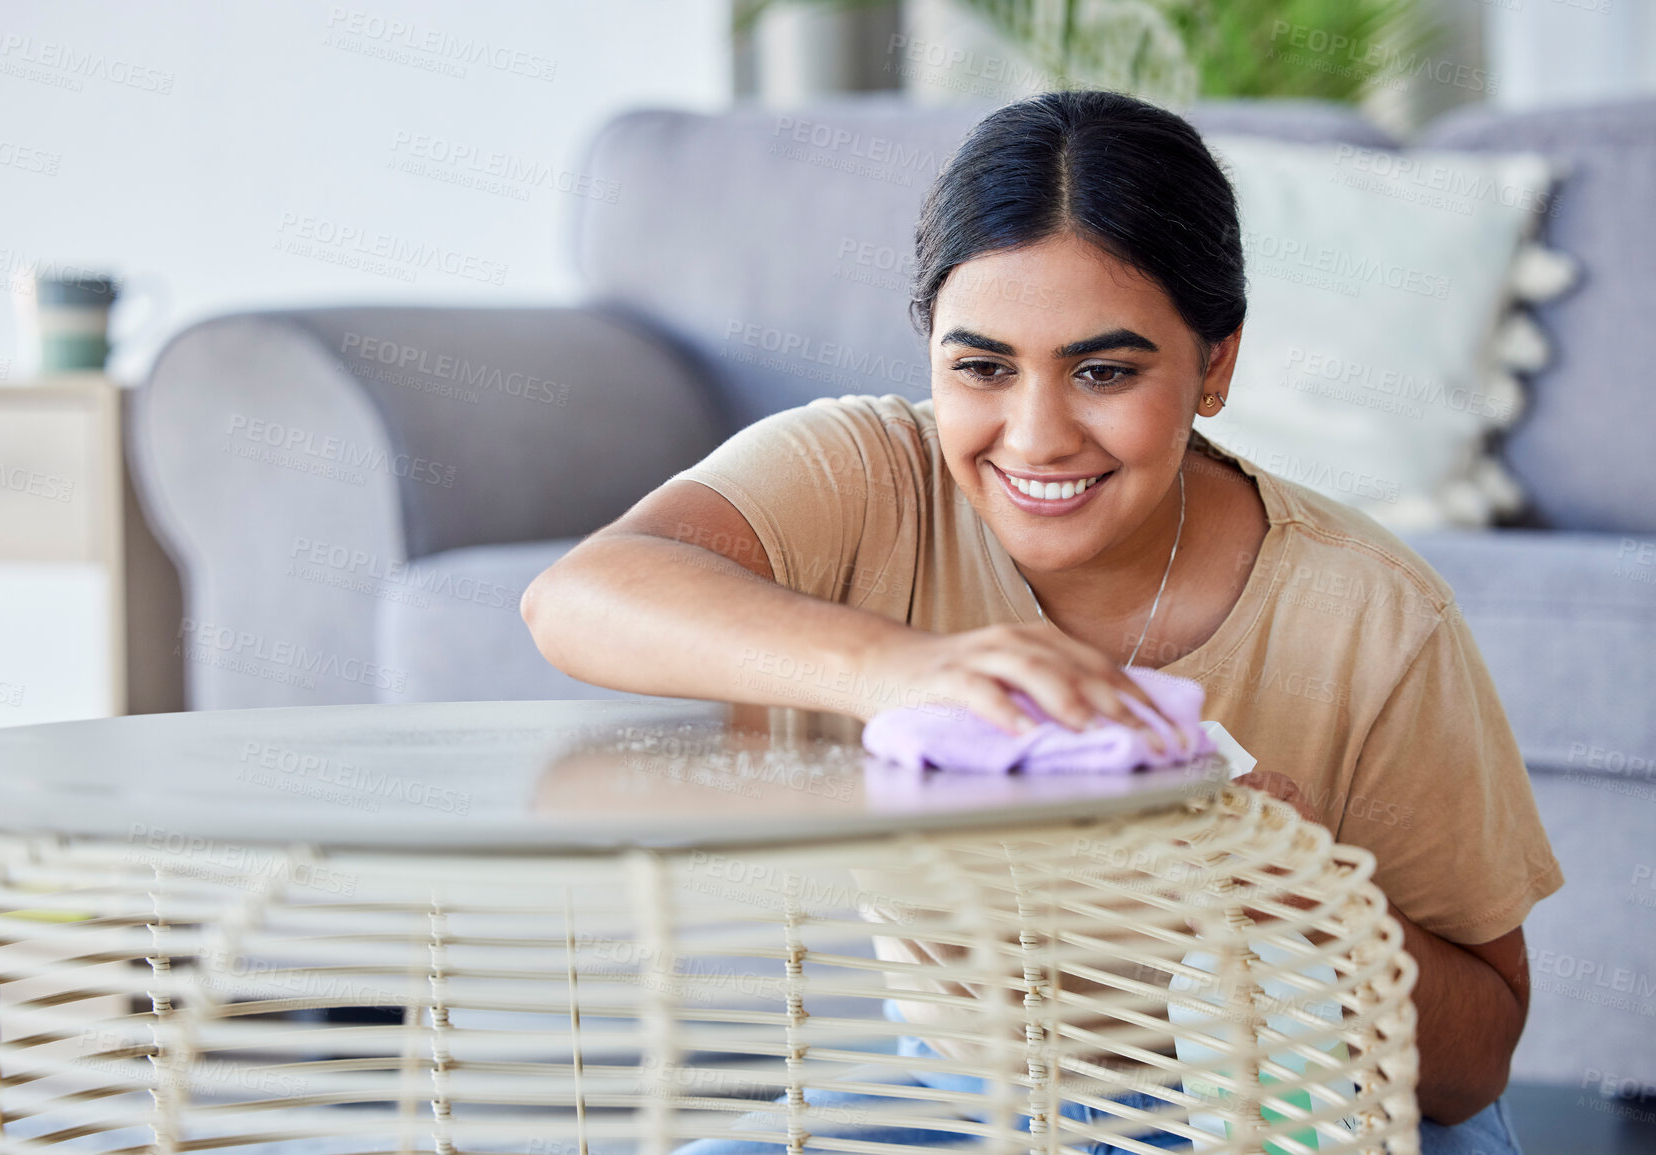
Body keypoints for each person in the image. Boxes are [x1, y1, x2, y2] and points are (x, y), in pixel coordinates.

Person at [521, 88, 1562, 1154]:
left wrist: (1309, 900)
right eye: (982, 367)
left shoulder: (1372, 614)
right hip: (968, 1100)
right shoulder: (870, 477)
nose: (1036, 436)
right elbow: (580, 597)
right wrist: (909, 672)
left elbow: (1473, 1069)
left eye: (1104, 371)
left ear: (1216, 364)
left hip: (1288, 1102)